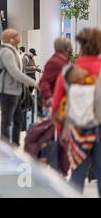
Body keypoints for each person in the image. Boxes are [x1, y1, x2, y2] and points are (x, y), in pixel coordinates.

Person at [52, 28, 101, 195]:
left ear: (79, 44)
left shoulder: (68, 72)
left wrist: (62, 133)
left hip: (76, 130)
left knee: (77, 176)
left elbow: (57, 106)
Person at [0, 29, 37, 146]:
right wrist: (33, 82)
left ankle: (15, 143)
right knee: (7, 118)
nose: (19, 36)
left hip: (14, 90)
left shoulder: (12, 51)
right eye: (17, 35)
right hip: (6, 90)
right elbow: (15, 72)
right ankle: (5, 144)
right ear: (11, 39)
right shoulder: (7, 52)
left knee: (17, 118)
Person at [39, 38, 72, 112]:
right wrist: (49, 98)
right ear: (65, 48)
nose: (71, 49)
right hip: (56, 103)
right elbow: (44, 82)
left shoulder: (63, 60)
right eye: (70, 46)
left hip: (62, 102)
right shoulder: (54, 62)